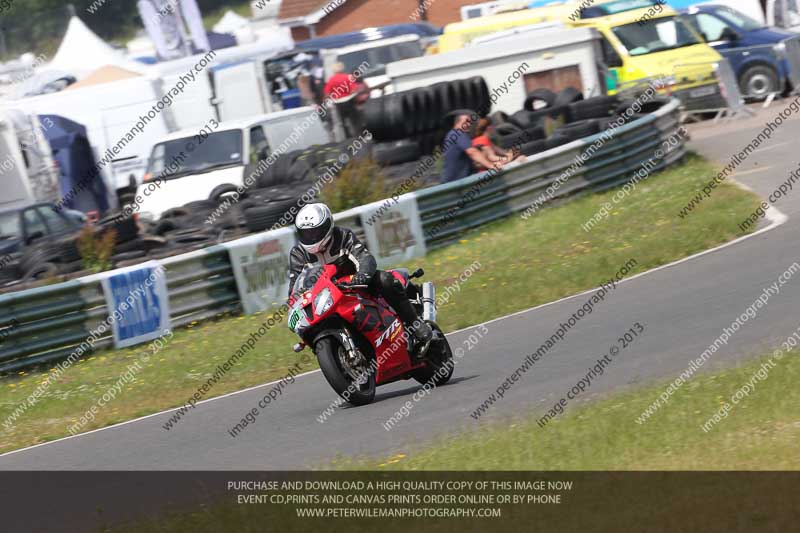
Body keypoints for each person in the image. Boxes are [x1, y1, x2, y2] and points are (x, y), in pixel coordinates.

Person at [288, 203, 433, 354]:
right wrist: (294, 304)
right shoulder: (298, 254)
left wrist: (362, 275)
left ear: (327, 227)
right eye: (306, 233)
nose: (311, 237)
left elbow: (365, 257)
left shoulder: (343, 236)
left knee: (385, 279)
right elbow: (295, 287)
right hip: (325, 297)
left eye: (316, 232)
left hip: (355, 283)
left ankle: (415, 324)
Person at [442, 111, 502, 183]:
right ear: (457, 122)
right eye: (466, 122)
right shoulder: (458, 134)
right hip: (455, 182)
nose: (469, 124)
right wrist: (490, 166)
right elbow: (472, 152)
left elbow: (473, 160)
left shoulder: (455, 135)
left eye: (470, 122)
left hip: (458, 181)